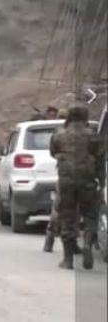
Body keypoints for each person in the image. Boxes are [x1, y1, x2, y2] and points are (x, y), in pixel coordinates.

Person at [49, 105, 105, 270]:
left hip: (66, 182)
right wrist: (102, 182)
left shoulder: (59, 135)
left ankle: (68, 260)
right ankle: (87, 243)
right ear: (85, 119)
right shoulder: (94, 136)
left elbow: (53, 152)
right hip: (87, 181)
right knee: (90, 216)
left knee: (67, 217)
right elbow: (101, 160)